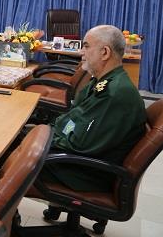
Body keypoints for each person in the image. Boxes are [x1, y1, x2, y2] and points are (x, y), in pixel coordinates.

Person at [39, 25, 147, 192]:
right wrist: (47, 131)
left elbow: (80, 145)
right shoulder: (103, 81)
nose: (81, 52)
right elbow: (76, 117)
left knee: (8, 158)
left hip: (84, 173)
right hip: (78, 159)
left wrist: (43, 139)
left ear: (105, 52)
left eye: (86, 46)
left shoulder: (114, 93)